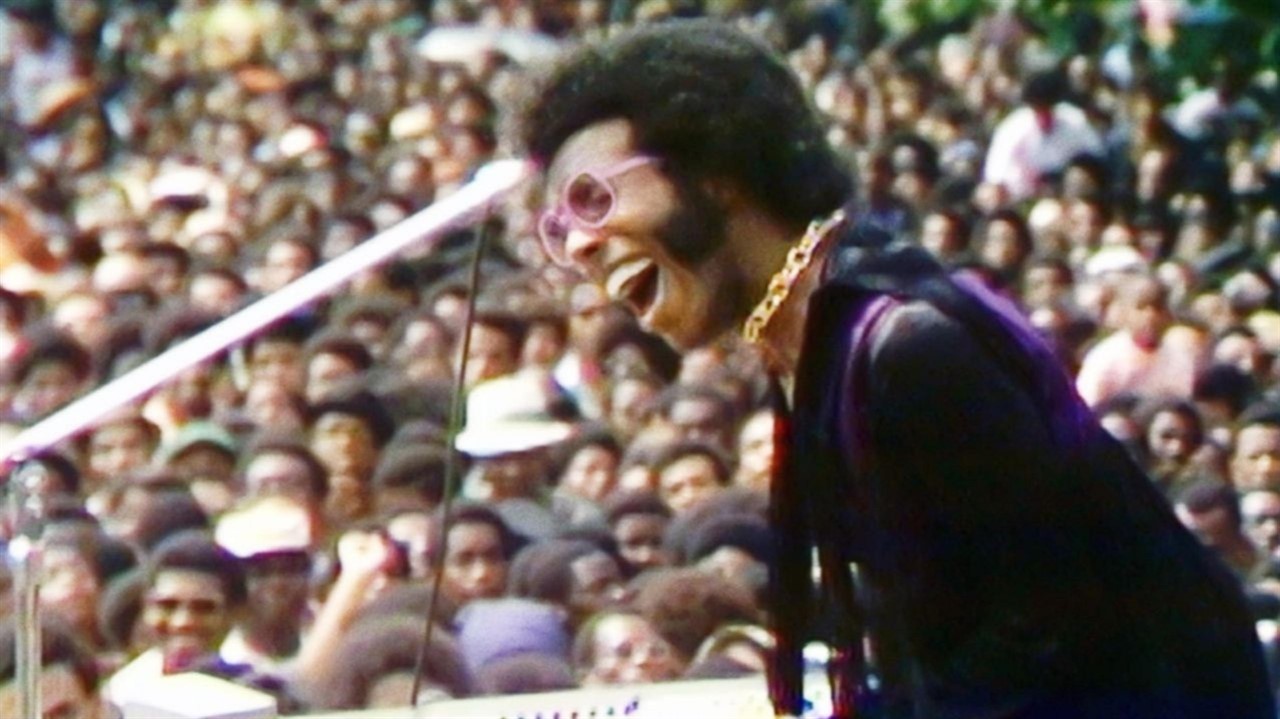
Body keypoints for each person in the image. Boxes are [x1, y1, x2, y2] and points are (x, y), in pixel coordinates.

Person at [519, 20, 1272, 718]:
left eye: (592, 198)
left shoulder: (905, 345)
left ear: (714, 170)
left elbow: (1052, 629)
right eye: (558, 232)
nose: (580, 247)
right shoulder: (816, 340)